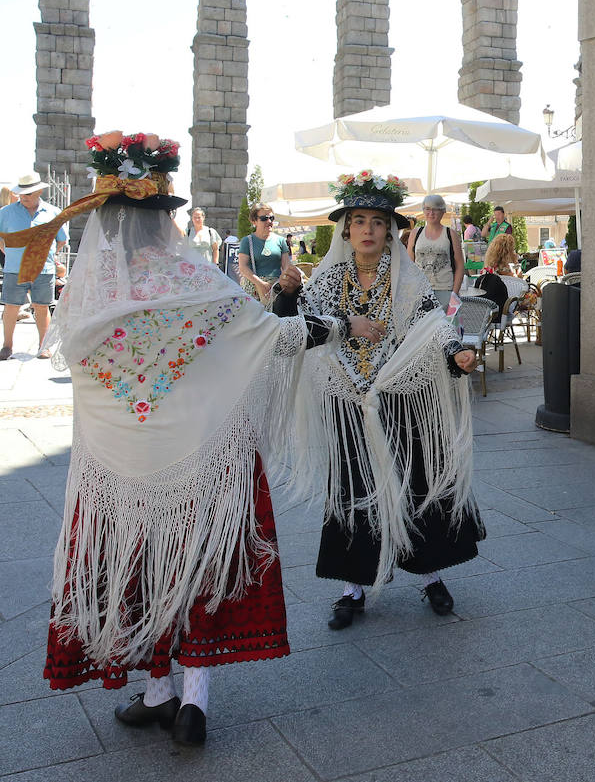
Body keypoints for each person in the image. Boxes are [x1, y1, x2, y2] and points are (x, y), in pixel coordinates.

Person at [7, 130, 369, 748]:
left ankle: (156, 691)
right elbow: (270, 337)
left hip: (117, 465)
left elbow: (80, 363)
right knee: (199, 568)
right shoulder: (200, 285)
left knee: (139, 573)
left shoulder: (88, 298)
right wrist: (338, 325)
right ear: (163, 223)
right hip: (201, 458)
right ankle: (191, 702)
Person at [272, 170, 484, 631]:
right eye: (359, 220)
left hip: (397, 398)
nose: (368, 229)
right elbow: (294, 333)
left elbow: (435, 327)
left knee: (414, 482)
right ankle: (352, 587)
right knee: (352, 488)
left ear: (390, 230)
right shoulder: (327, 282)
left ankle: (428, 574)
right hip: (346, 399)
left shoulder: (408, 281)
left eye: (377, 221)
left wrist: (456, 353)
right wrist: (287, 297)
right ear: (346, 230)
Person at [0, 171, 67, 360]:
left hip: (43, 269)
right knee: (11, 307)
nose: (23, 197)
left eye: (28, 193)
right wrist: (12, 254)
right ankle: (6, 346)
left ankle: (43, 346)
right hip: (15, 269)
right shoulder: (5, 213)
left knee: (41, 306)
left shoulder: (54, 213)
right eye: (21, 193)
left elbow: (61, 240)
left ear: (38, 192)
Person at [406, 194, 463, 306]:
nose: (431, 213)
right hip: (420, 291)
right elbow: (409, 265)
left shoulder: (450, 234)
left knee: (445, 323)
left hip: (445, 291)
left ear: (442, 211)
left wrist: (454, 294)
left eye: (435, 209)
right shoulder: (415, 233)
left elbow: (460, 265)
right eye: (427, 209)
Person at [237, 203, 291, 301]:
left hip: (276, 290)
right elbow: (243, 267)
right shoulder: (247, 241)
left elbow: (287, 266)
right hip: (254, 290)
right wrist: (260, 284)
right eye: (264, 218)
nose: (269, 221)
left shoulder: (280, 241)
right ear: (254, 221)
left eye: (272, 218)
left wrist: (282, 283)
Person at [473, 232, 518, 319]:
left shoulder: (488, 270)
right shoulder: (507, 270)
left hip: (486, 310)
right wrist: (516, 264)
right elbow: (519, 282)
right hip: (505, 308)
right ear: (508, 251)